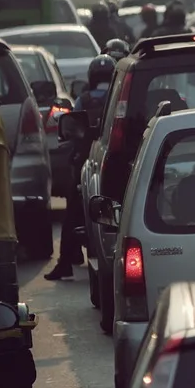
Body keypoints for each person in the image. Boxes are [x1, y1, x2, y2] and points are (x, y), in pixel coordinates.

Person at [45, 54, 118, 281]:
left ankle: (66, 261)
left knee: (72, 212)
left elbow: (73, 128)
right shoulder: (118, 96)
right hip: (117, 163)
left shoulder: (84, 99)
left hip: (87, 163)